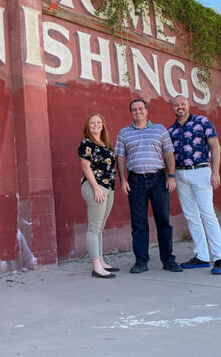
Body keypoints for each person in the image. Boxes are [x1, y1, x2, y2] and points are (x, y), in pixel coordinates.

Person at [114, 99, 182, 274]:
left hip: (159, 179)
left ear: (146, 111)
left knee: (163, 221)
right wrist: (123, 180)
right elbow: (120, 157)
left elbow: (169, 153)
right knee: (138, 223)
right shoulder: (123, 133)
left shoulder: (159, 129)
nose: (138, 112)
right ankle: (141, 261)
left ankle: (168, 260)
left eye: (140, 108)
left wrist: (171, 177)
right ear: (131, 113)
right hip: (135, 182)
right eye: (134, 110)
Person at [168, 96, 221, 275]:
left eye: (182, 104)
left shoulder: (202, 122)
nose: (180, 107)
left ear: (188, 105)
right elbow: (169, 156)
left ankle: (220, 258)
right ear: (173, 108)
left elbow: (215, 146)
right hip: (180, 173)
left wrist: (215, 171)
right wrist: (171, 176)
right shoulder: (170, 130)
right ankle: (201, 256)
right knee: (191, 216)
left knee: (207, 214)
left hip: (200, 171)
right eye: (176, 105)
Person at [78, 113, 119, 279]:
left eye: (98, 122)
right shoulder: (86, 143)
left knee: (100, 228)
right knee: (94, 228)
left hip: (108, 187)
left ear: (103, 124)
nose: (96, 125)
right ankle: (96, 266)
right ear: (88, 126)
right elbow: (86, 167)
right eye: (92, 123)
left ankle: (101, 261)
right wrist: (96, 188)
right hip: (96, 187)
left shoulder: (106, 145)